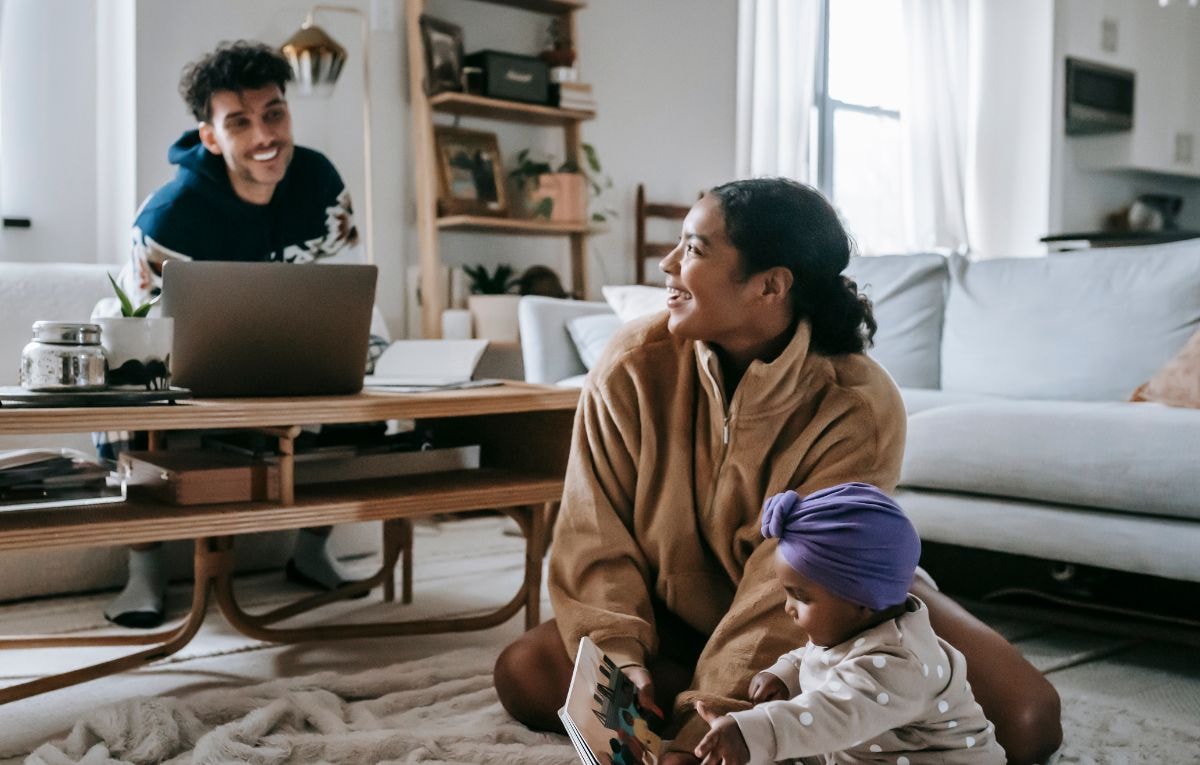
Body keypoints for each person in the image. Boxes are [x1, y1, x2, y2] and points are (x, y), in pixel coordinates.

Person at [493, 177, 1062, 765]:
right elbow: (593, 531)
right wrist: (622, 655)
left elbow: (789, 590)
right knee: (525, 672)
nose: (667, 264)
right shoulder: (630, 365)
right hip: (668, 608)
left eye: (694, 248)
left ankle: (736, 699)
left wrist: (705, 738)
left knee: (1027, 723)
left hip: (827, 612)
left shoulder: (857, 403)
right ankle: (734, 696)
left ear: (770, 285)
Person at [96, 40, 374, 629]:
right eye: (240, 122)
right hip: (187, 387)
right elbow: (138, 333)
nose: (264, 135)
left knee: (366, 388)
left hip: (297, 370)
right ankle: (143, 570)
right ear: (211, 137)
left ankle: (311, 552)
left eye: (274, 113)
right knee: (121, 401)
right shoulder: (169, 216)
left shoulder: (321, 184)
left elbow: (348, 288)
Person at [694, 483, 1004, 764]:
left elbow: (832, 713)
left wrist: (754, 732)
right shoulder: (854, 628)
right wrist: (786, 674)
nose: (788, 608)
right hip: (858, 750)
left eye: (800, 597)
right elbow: (818, 658)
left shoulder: (899, 667)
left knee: (776, 743)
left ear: (861, 599)